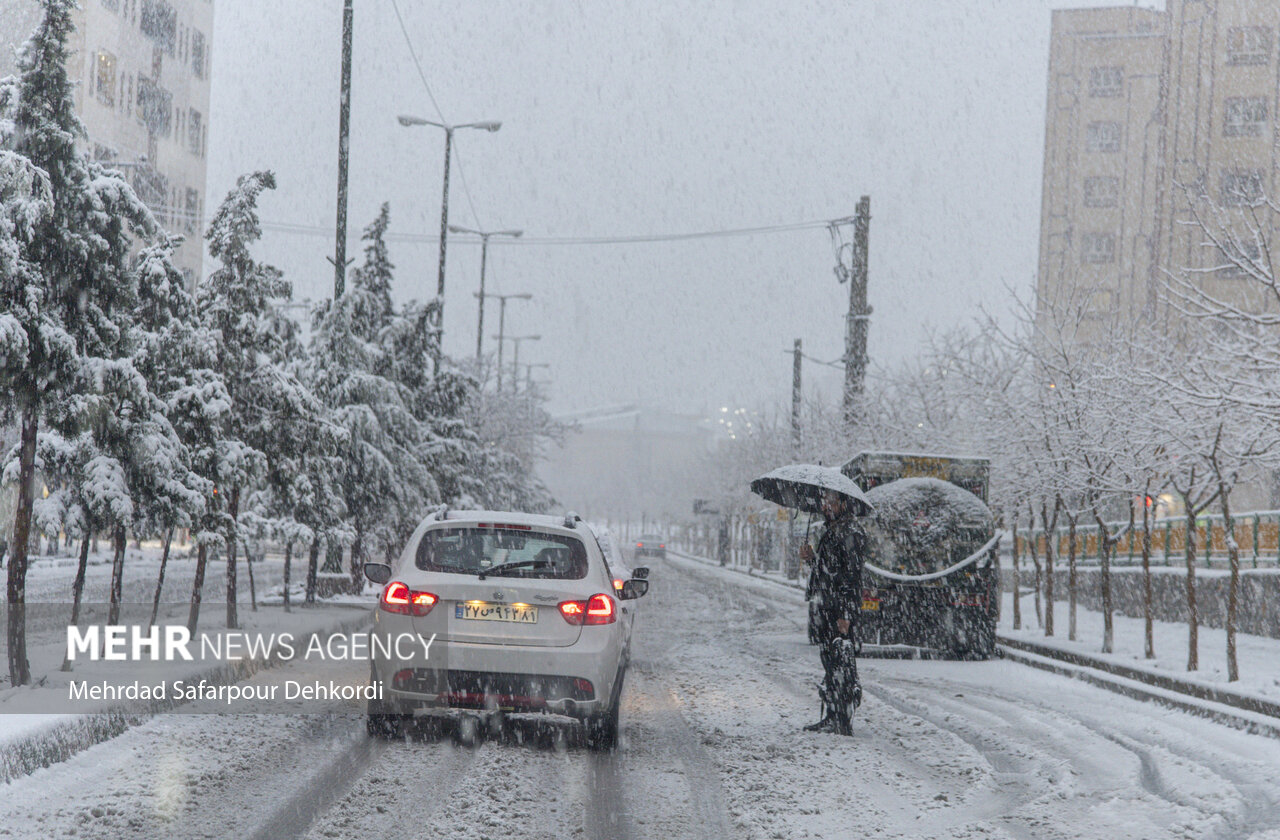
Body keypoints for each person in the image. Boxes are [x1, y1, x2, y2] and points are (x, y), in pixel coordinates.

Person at [800, 488, 868, 735]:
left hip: (839, 610)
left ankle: (841, 718)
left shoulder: (851, 533)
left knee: (841, 664)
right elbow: (828, 571)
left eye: (831, 502)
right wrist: (812, 558)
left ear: (843, 504)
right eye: (824, 501)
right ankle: (833, 714)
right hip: (829, 607)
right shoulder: (834, 530)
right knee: (831, 662)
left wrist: (845, 615)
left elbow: (851, 577)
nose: (826, 506)